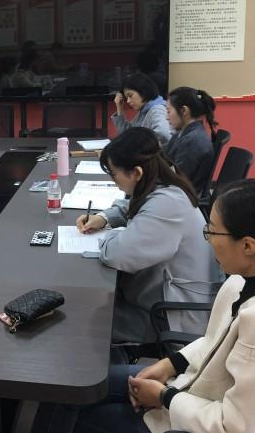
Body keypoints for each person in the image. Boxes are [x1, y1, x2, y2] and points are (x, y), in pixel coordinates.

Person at [20, 179, 255, 433]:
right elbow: (215, 341)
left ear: (248, 245)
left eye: (212, 233)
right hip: (195, 394)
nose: (207, 241)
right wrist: (171, 364)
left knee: (70, 404)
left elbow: (238, 431)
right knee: (72, 386)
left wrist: (164, 397)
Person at [76, 128, 222, 343]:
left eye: (114, 174)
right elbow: (138, 206)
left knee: (84, 320)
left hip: (170, 315)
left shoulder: (168, 203)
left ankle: (116, 363)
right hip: (162, 297)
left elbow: (118, 254)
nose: (114, 181)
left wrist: (112, 234)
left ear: (136, 173)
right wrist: (104, 217)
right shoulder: (166, 184)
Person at [164, 87, 218, 195]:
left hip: (183, 196)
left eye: (168, 111)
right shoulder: (185, 134)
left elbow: (176, 180)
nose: (166, 117)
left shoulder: (192, 141)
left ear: (184, 111)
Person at [112, 73, 171, 145]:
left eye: (130, 96)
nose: (128, 101)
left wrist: (138, 144)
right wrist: (119, 108)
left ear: (143, 91)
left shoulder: (157, 109)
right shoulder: (144, 110)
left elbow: (164, 134)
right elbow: (126, 134)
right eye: (126, 98)